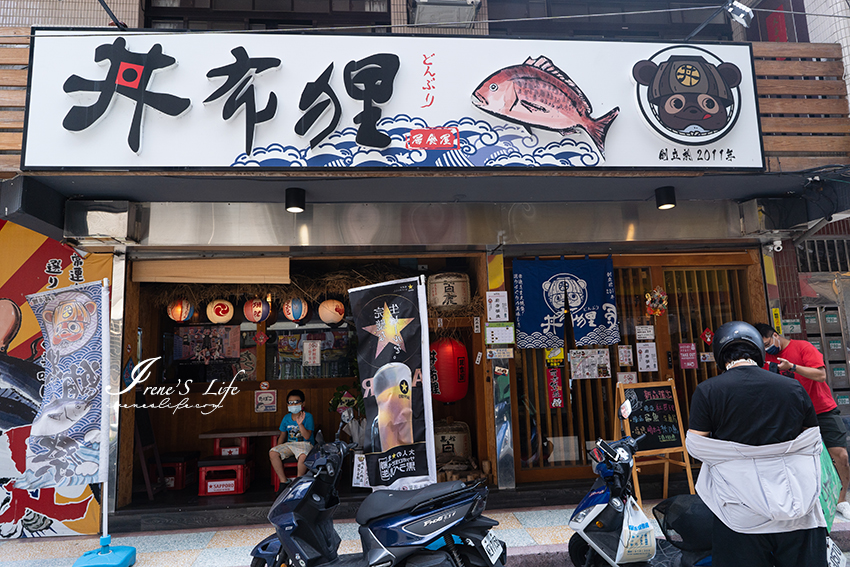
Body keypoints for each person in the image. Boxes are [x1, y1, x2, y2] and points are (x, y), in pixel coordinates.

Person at [687, 321, 826, 567]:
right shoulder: (792, 387)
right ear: (758, 352)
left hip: (738, 511)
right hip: (798, 504)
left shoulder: (708, 391)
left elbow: (696, 446)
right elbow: (811, 439)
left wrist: (737, 453)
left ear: (720, 355)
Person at [754, 322, 850, 519]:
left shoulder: (802, 347)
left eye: (766, 343)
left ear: (775, 335)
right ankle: (808, 500)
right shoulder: (764, 358)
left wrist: (793, 367)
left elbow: (821, 375)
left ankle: (842, 501)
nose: (765, 348)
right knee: (797, 459)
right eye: (761, 346)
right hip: (792, 414)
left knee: (840, 455)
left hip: (822, 408)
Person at [269, 389, 314, 487]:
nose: (293, 405)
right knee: (273, 453)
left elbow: (307, 436)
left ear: (303, 403)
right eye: (290, 403)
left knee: (303, 457)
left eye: (296, 402)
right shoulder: (286, 418)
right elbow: (282, 436)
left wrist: (300, 424)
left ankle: (298, 481)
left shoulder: (308, 416)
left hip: (306, 444)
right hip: (290, 444)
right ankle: (283, 481)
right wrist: (278, 449)